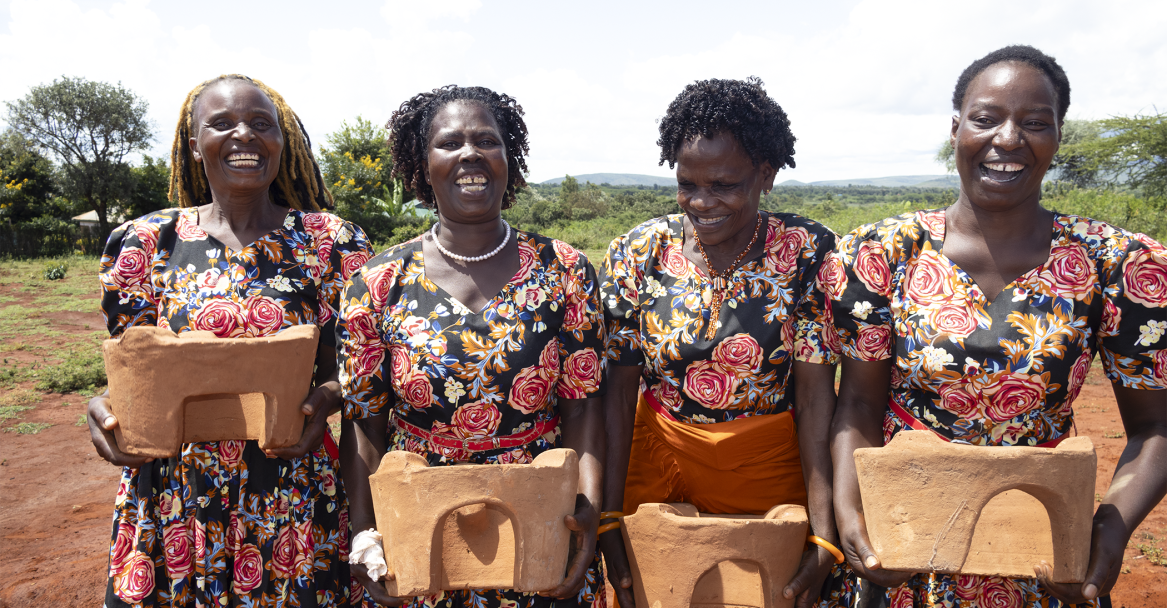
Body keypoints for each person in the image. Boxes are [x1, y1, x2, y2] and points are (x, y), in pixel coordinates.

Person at [822, 45, 1167, 608]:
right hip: (905, 543)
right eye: (986, 119)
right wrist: (854, 516)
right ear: (956, 127)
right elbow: (857, 406)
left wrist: (1109, 527)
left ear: (1058, 137)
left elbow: (1156, 428)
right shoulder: (884, 252)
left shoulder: (1117, 263)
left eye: (1035, 123)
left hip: (1042, 547)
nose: (1008, 139)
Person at [87, 74, 374, 607]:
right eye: (221, 124)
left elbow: (353, 371)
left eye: (261, 124)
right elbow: (135, 370)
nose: (244, 135)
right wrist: (104, 407)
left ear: (282, 144)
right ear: (194, 144)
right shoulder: (147, 243)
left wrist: (327, 397)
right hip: (175, 492)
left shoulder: (330, 243)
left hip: (291, 487)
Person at [336, 85, 607, 608]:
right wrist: (367, 534)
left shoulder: (565, 271)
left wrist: (586, 510)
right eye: (449, 143)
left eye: (487, 140)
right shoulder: (376, 282)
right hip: (420, 525)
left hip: (538, 520)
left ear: (510, 158)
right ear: (423, 163)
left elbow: (585, 408)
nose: (470, 155)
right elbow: (364, 426)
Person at [599, 77, 843, 608]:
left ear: (766, 175)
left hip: (767, 469)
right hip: (657, 462)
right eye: (687, 184)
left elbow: (816, 396)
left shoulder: (807, 252)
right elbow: (616, 393)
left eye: (725, 185)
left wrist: (825, 531)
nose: (702, 202)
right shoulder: (640, 251)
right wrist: (610, 515)